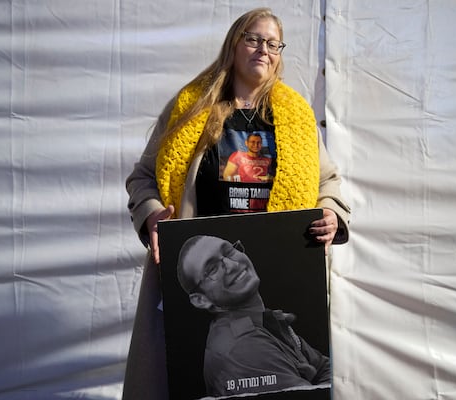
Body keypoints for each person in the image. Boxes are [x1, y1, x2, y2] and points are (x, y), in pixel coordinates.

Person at [123, 7, 350, 400]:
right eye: (253, 38)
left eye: (273, 43)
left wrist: (330, 212)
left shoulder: (296, 118)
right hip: (201, 277)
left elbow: (327, 183)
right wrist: (151, 215)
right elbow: (142, 178)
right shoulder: (191, 107)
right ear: (233, 44)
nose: (264, 49)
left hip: (278, 269)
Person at [177, 235, 331, 398]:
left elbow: (325, 368)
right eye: (212, 269)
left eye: (229, 251)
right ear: (201, 300)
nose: (233, 265)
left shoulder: (265, 320)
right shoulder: (242, 348)